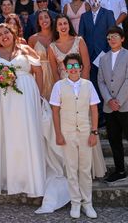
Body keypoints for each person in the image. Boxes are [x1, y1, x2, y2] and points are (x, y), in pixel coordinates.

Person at [0, 23, 46, 197]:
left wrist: (37, 95)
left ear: (13, 33)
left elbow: (38, 71)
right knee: (8, 134)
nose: (4, 36)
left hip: (26, 96)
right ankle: (8, 177)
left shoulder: (26, 50)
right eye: (0, 34)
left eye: (6, 32)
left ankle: (29, 177)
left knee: (25, 133)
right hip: (3, 99)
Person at [48, 15, 106, 180]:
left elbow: (86, 65)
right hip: (64, 91)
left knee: (85, 124)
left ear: (69, 25)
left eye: (65, 23)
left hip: (81, 88)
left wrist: (84, 87)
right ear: (56, 28)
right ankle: (72, 169)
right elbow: (54, 72)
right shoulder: (52, 47)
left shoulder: (79, 41)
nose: (63, 26)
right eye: (60, 24)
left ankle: (91, 168)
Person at [97, 26, 128, 192]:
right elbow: (101, 81)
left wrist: (118, 100)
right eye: (109, 37)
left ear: (122, 38)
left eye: (115, 36)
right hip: (110, 107)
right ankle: (120, 171)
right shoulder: (103, 59)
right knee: (114, 139)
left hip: (126, 105)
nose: (112, 39)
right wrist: (109, 100)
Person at [50, 53, 100, 219]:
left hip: (85, 132)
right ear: (65, 68)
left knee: (85, 169)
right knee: (71, 169)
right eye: (69, 66)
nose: (72, 68)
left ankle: (88, 203)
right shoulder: (58, 86)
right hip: (67, 132)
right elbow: (55, 112)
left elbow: (94, 110)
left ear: (81, 67)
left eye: (75, 65)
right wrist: (58, 133)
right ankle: (75, 203)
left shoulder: (88, 85)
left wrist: (94, 132)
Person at [78, 0, 117, 126]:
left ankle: (108, 114)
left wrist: (106, 53)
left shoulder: (108, 14)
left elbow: (113, 35)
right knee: (94, 85)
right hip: (89, 57)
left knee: (106, 84)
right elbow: (80, 38)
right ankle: (98, 115)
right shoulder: (84, 16)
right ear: (89, 0)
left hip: (104, 56)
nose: (94, 0)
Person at [28, 10, 56, 100]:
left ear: (51, 19)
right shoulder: (32, 39)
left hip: (55, 72)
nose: (44, 20)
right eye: (40, 18)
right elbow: (30, 62)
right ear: (38, 22)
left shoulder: (57, 36)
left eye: (46, 17)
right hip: (39, 75)